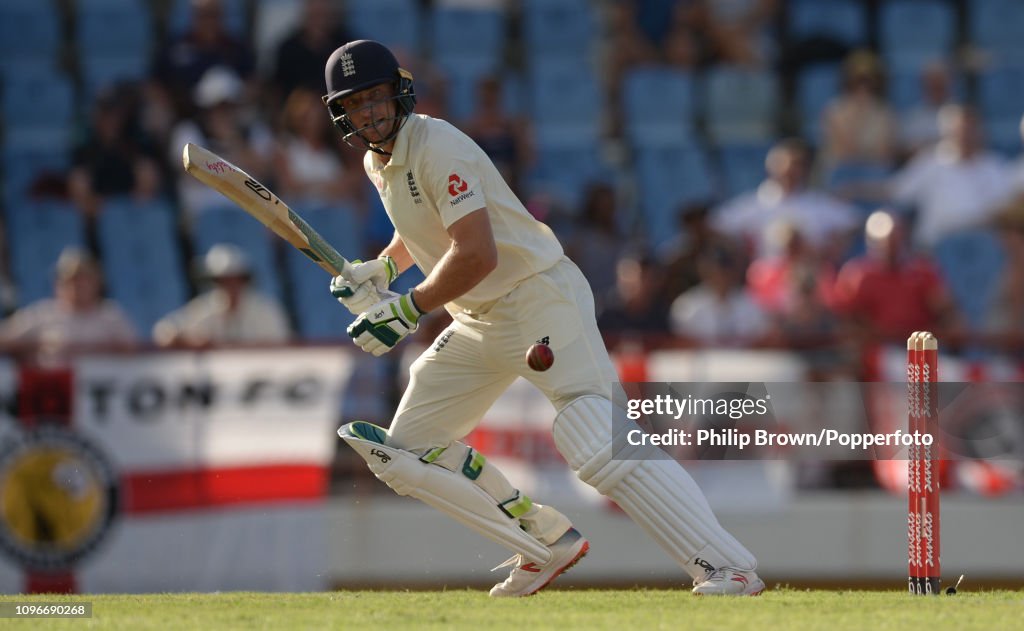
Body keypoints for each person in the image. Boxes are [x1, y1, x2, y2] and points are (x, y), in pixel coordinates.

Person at [321, 40, 764, 597]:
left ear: (398, 92)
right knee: (407, 452)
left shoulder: (438, 145)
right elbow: (422, 227)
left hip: (536, 299)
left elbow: (478, 253)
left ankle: (729, 568)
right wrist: (383, 269)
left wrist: (408, 307)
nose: (369, 112)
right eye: (356, 103)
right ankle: (542, 540)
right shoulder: (375, 161)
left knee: (597, 437)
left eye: (376, 97)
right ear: (343, 113)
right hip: (477, 319)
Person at [0, 248, 138, 366]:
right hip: (54, 391)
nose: (78, 286)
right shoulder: (42, 314)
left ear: (97, 282)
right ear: (58, 284)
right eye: (71, 280)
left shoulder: (111, 315)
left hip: (102, 391)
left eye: (84, 279)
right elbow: (5, 338)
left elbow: (136, 355)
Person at [152, 244, 291, 347]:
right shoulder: (205, 308)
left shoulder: (266, 310)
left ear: (245, 281)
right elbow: (163, 332)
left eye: (236, 279)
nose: (230, 286)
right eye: (222, 281)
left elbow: (283, 348)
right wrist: (188, 340)